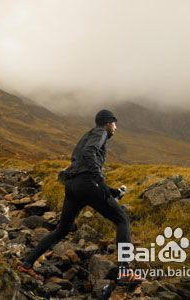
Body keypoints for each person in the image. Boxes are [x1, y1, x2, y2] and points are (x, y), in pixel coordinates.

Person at [18, 109, 142, 288]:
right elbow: (89, 153)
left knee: (62, 229)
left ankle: (26, 263)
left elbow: (81, 161)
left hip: (73, 186)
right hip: (87, 183)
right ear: (107, 123)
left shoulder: (88, 135)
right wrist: (99, 180)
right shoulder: (100, 132)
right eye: (114, 123)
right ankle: (124, 272)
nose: (116, 127)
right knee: (122, 219)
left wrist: (112, 191)